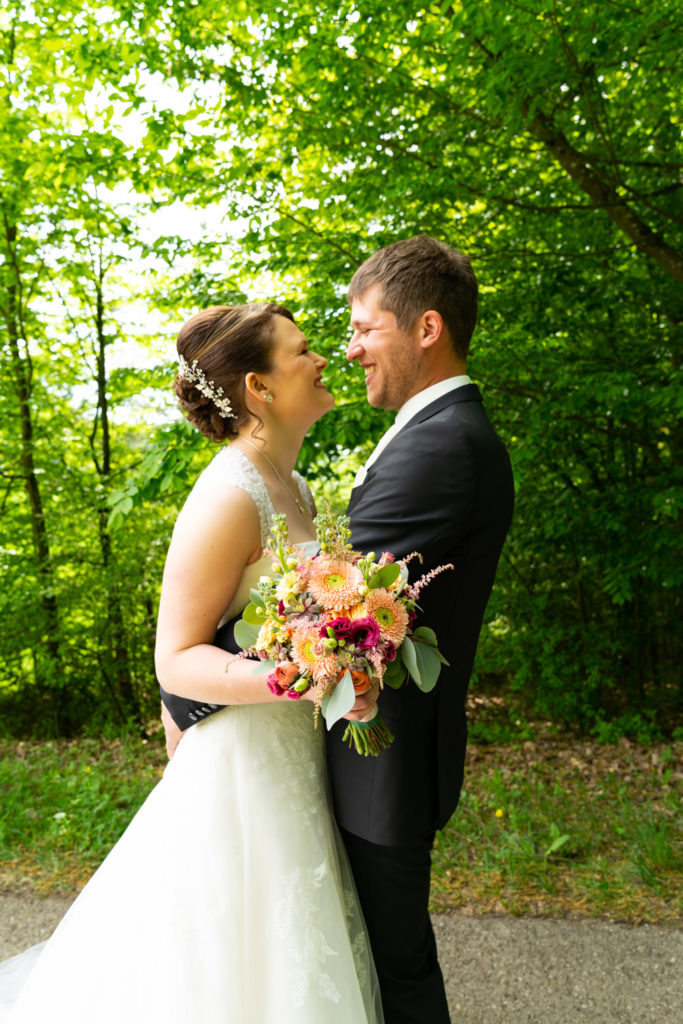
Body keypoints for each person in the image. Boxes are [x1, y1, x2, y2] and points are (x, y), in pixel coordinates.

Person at [163, 236, 515, 1024]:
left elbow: (349, 617)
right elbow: (231, 638)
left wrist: (296, 671)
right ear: (256, 387)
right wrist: (189, 708)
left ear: (424, 329)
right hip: (292, 755)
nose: (337, 352)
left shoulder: (434, 445)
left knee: (374, 968)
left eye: (359, 329)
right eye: (310, 346)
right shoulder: (244, 489)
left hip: (363, 761)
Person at [0, 303, 384, 1024]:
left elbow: (300, 630)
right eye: (301, 351)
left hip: (292, 757)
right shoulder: (227, 495)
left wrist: (350, 676)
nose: (323, 359)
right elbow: (175, 659)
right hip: (241, 765)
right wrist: (294, 677)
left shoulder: (294, 489)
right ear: (259, 387)